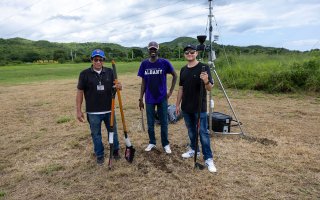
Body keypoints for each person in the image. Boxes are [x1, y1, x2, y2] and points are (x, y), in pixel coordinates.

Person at [175, 44, 217, 173]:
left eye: (192, 52)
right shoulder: (183, 70)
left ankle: (208, 158)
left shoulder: (204, 67)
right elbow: (181, 88)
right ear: (184, 55)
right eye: (187, 52)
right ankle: (194, 149)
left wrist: (205, 81)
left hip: (200, 108)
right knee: (191, 131)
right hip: (186, 107)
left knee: (203, 133)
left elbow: (210, 88)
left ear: (196, 53)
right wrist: (177, 104)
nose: (190, 54)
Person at [76, 49, 122, 165]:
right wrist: (78, 110)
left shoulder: (110, 72)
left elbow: (116, 86)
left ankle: (115, 151)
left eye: (100, 60)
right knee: (96, 135)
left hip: (109, 109)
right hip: (93, 112)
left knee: (113, 132)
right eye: (95, 59)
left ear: (103, 61)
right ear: (91, 60)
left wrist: (119, 86)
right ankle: (100, 155)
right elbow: (80, 92)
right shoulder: (84, 74)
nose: (98, 62)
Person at [138, 41, 177, 154]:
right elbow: (143, 83)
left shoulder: (164, 62)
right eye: (151, 49)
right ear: (148, 50)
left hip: (162, 98)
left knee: (164, 121)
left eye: (155, 49)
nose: (153, 51)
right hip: (149, 98)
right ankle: (152, 142)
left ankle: (165, 144)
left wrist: (170, 91)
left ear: (158, 49)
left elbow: (175, 75)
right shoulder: (144, 64)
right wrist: (141, 99)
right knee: (150, 122)